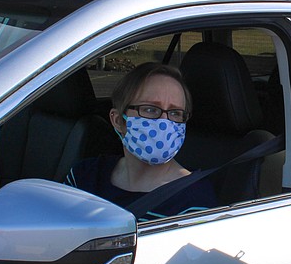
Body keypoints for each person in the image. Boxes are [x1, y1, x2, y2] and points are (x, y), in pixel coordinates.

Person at [65, 62, 216, 220]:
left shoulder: (194, 201)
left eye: (175, 113)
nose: (164, 122)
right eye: (150, 110)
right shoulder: (84, 176)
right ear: (118, 120)